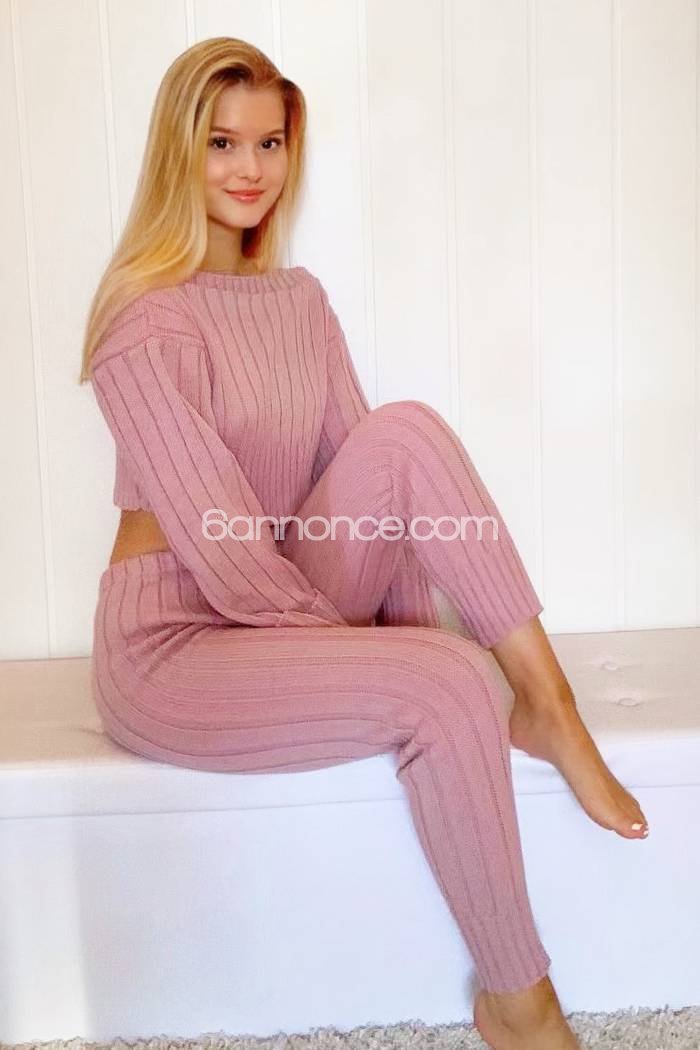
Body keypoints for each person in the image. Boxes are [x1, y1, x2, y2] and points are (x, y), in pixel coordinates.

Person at [79, 37, 648, 1050]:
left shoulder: (302, 302)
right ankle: (520, 1005)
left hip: (275, 606)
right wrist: (404, 663)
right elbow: (219, 542)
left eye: (269, 142)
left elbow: (379, 497)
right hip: (177, 643)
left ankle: (549, 705)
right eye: (220, 142)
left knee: (405, 432)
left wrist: (399, 639)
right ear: (179, 152)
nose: (249, 168)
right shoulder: (144, 323)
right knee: (448, 681)